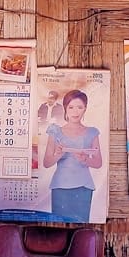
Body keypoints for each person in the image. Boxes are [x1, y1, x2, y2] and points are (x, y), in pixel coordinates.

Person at [42, 89, 102, 223]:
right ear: (65, 108)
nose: (75, 111)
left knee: (81, 227)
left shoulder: (92, 132)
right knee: (59, 227)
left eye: (80, 107)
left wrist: (85, 159)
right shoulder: (55, 131)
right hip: (60, 186)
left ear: (85, 109)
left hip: (83, 186)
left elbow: (98, 163)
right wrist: (58, 154)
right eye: (71, 107)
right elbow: (46, 163)